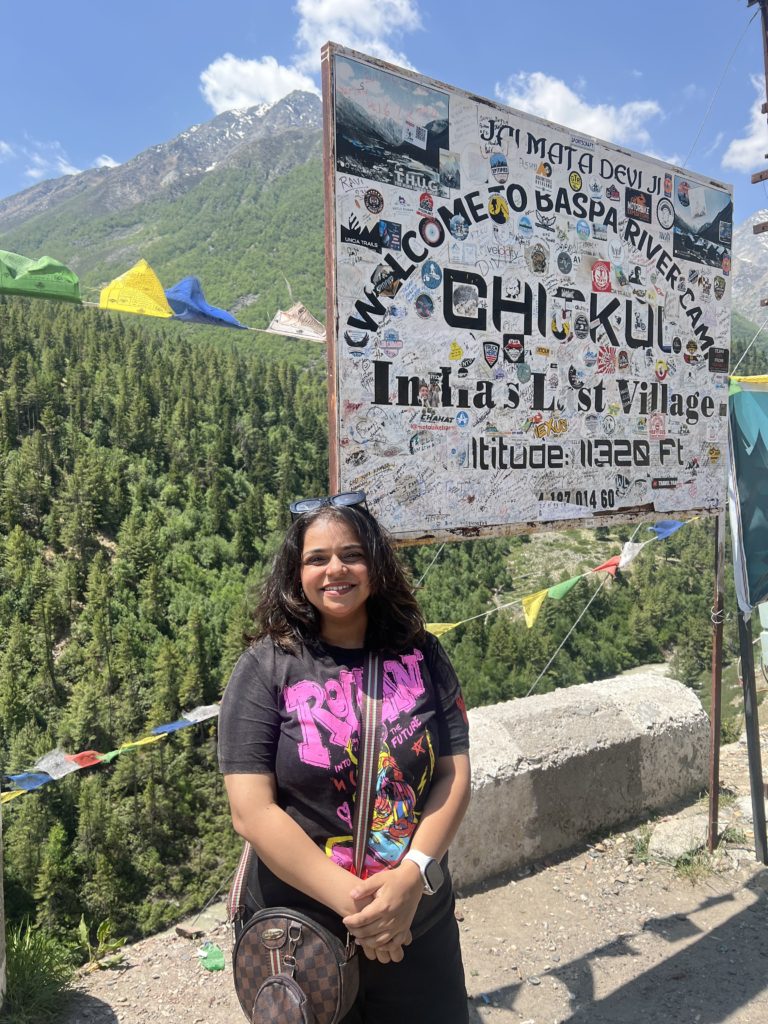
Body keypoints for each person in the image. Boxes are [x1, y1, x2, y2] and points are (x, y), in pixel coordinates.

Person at [218, 490, 471, 1023]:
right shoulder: (266, 668)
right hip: (302, 934)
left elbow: (453, 774)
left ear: (375, 564)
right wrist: (363, 909)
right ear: (297, 572)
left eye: (352, 554)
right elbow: (252, 810)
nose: (336, 569)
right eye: (317, 559)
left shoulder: (422, 655)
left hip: (415, 920)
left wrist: (411, 879)